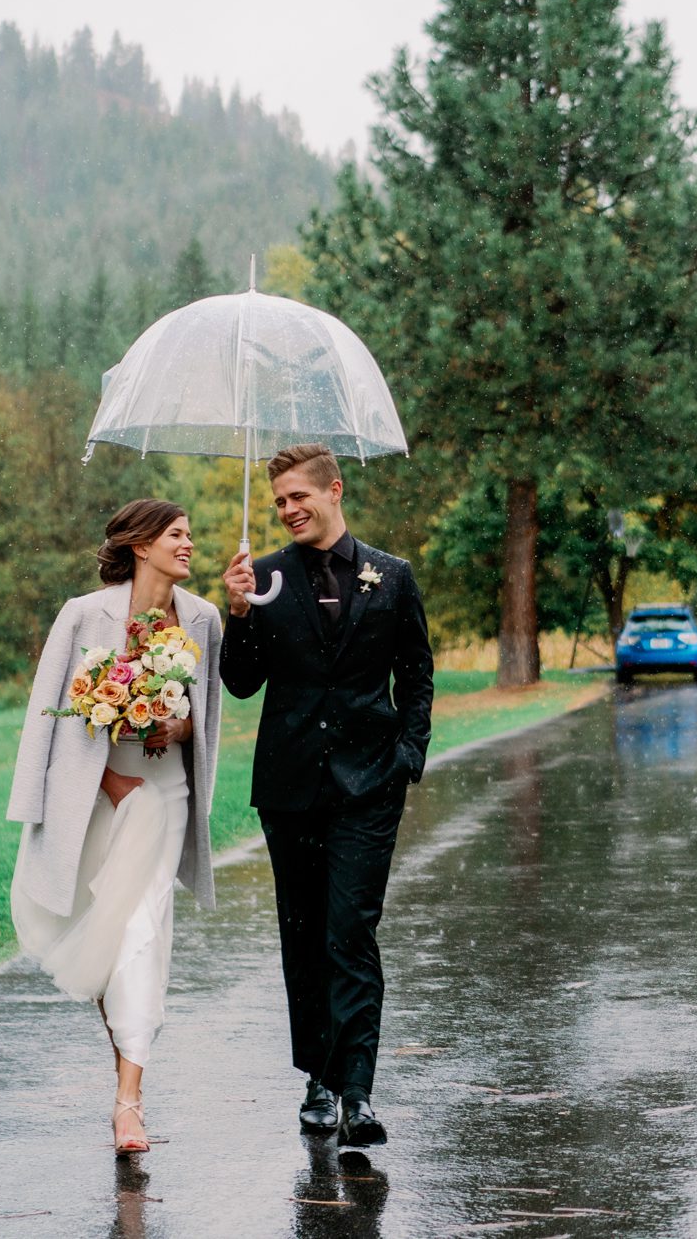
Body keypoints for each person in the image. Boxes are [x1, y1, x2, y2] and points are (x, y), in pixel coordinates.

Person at [221, 443, 434, 1148]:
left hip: (369, 786)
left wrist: (407, 754)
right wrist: (239, 613)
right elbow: (242, 682)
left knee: (350, 932)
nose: (286, 510)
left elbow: (418, 675)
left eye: (297, 497)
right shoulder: (266, 577)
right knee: (304, 932)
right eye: (278, 501)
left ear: (333, 489)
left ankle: (358, 1091)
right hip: (288, 786)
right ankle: (317, 1073)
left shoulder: (392, 577)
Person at [6, 499, 223, 1155]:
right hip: (99, 797)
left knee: (142, 930)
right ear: (140, 544)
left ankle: (128, 1104)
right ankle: (126, 1072)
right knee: (103, 938)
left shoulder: (205, 620)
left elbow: (205, 717)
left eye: (190, 533)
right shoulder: (84, 614)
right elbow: (56, 712)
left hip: (167, 794)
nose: (189, 544)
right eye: (177, 535)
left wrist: (172, 722)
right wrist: (109, 780)